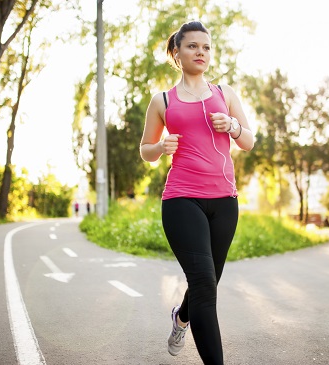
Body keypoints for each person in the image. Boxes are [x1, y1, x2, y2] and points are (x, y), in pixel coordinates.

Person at [140, 21, 254, 364]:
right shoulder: (162, 100)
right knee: (204, 283)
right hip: (181, 198)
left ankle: (181, 318)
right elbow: (145, 149)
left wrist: (232, 126)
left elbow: (248, 141)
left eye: (205, 47)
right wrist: (161, 146)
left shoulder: (225, 93)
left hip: (224, 201)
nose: (200, 52)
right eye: (192, 46)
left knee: (208, 282)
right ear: (177, 53)